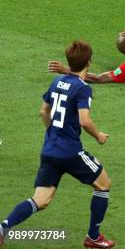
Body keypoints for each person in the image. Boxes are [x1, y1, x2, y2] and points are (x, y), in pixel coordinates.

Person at [0, 41, 115, 248]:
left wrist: (52, 132)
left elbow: (43, 111)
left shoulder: (57, 81)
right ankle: (94, 237)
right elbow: (84, 120)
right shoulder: (83, 89)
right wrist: (98, 136)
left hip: (50, 149)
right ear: (89, 61)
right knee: (103, 184)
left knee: (41, 200)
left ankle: (3, 227)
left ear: (69, 62)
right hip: (70, 152)